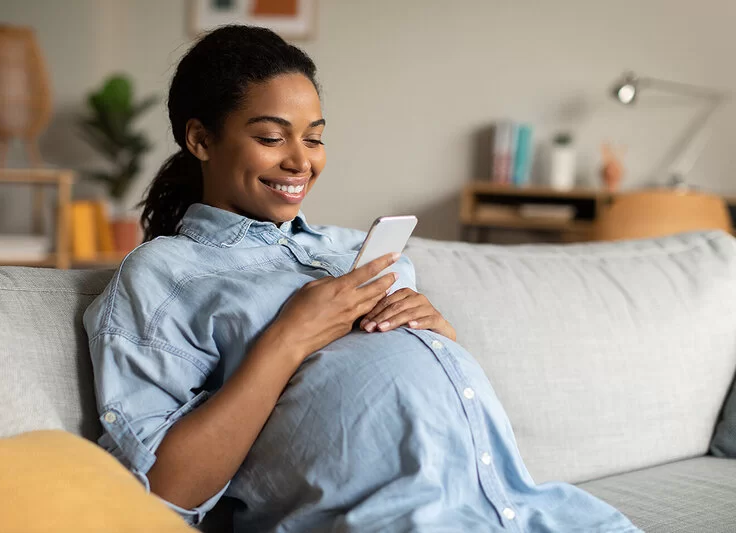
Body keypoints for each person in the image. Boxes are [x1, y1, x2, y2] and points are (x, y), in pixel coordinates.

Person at [83, 25, 641, 533]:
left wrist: (436, 335)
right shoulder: (165, 275)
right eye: (273, 138)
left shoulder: (352, 248)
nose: (301, 161)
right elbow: (159, 492)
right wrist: (288, 337)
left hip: (529, 511)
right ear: (201, 140)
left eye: (315, 137)